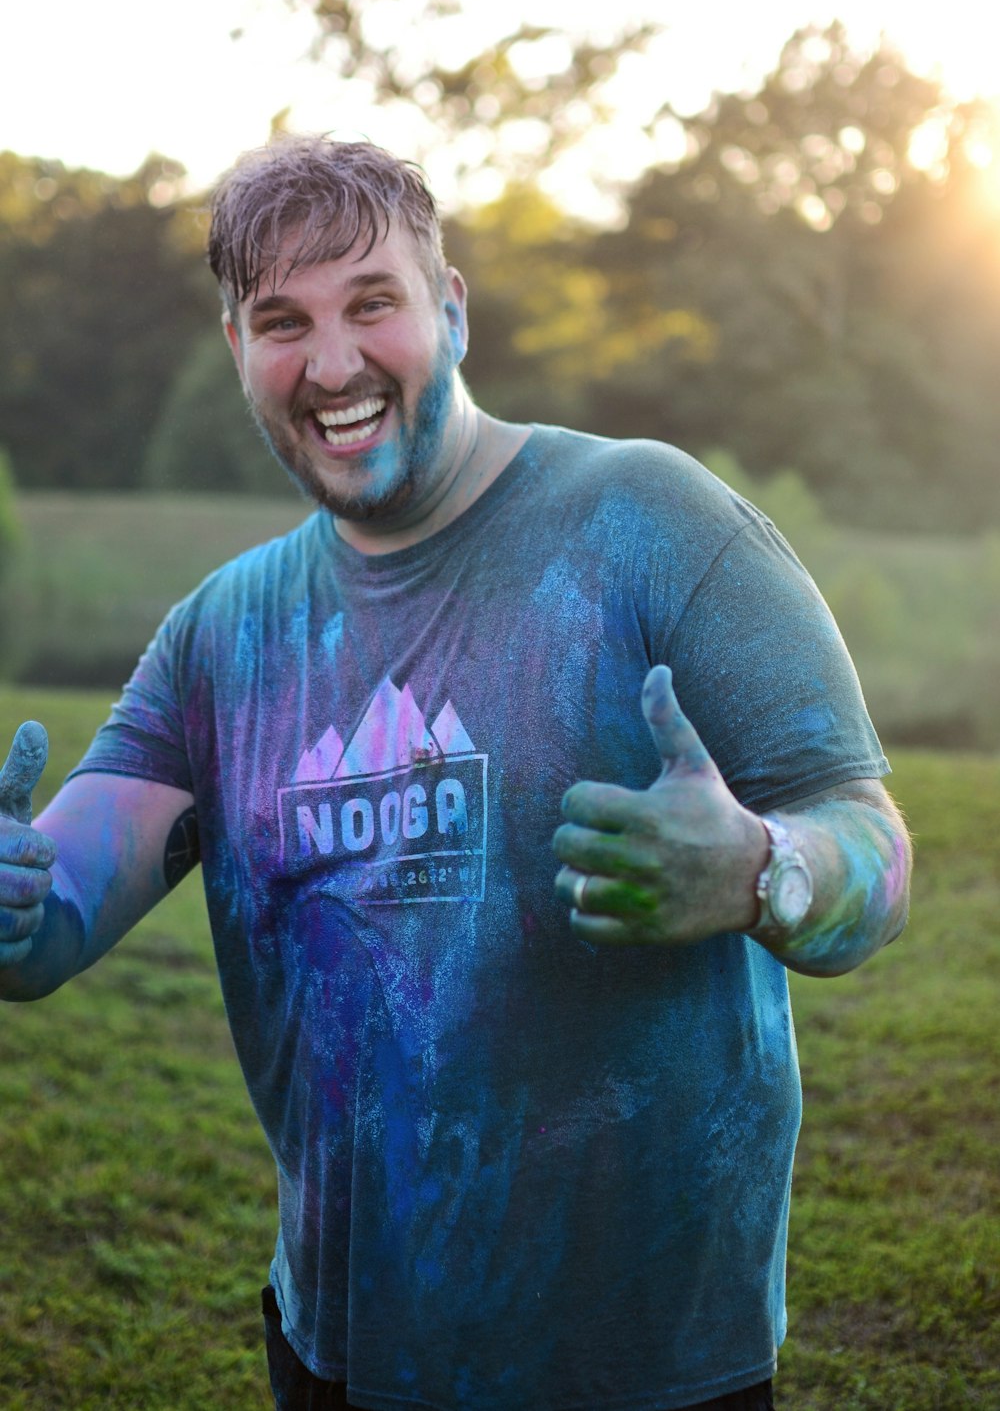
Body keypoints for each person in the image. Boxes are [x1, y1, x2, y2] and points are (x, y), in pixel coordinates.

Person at [0, 136, 911, 1411]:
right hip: (340, 1354)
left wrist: (765, 871)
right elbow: (55, 917)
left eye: (372, 302)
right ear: (237, 351)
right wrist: (17, 897)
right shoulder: (224, 634)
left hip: (645, 1369)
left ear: (454, 310)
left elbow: (870, 841)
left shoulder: (654, 521)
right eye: (283, 322)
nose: (331, 365)